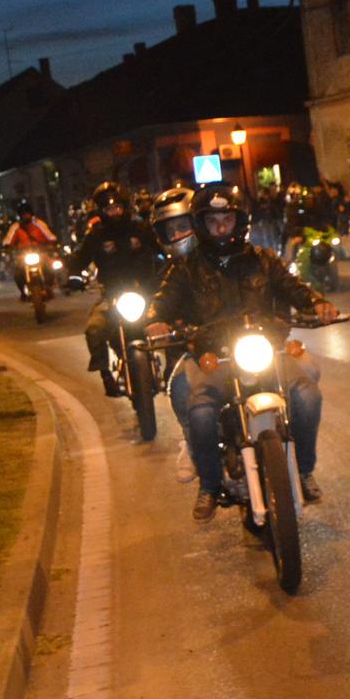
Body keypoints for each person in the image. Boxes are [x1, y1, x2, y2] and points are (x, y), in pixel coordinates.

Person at [144, 182, 338, 521]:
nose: (221, 226)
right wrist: (155, 322)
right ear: (201, 224)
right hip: (216, 356)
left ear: (240, 220)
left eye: (227, 218)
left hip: (268, 349)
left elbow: (296, 289)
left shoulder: (264, 260)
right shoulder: (185, 268)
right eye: (212, 220)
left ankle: (304, 471)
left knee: (308, 396)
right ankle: (209, 485)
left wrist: (318, 303)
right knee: (201, 412)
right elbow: (161, 305)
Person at [71, 182, 163, 398]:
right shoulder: (96, 235)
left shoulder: (141, 229)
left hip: (144, 291)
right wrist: (74, 276)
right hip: (112, 295)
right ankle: (105, 375)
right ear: (101, 211)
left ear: (125, 207)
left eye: (117, 208)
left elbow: (162, 247)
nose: (114, 213)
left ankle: (172, 369)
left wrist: (170, 261)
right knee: (94, 329)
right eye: (108, 209)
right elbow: (79, 260)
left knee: (177, 319)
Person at [151, 185, 201, 482]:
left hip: (239, 343)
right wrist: (157, 322)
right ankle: (192, 443)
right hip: (189, 349)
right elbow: (157, 305)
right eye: (172, 229)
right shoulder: (166, 273)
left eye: (185, 225)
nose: (179, 234)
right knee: (181, 386)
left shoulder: (228, 255)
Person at [0, 199, 58, 300]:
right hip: (23, 255)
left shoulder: (39, 224)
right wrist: (7, 246)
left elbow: (49, 236)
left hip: (40, 253)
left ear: (31, 214)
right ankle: (22, 292)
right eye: (23, 214)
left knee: (49, 267)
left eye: (27, 213)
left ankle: (48, 286)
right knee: (18, 273)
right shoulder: (16, 227)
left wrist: (52, 242)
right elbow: (8, 240)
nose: (25, 216)